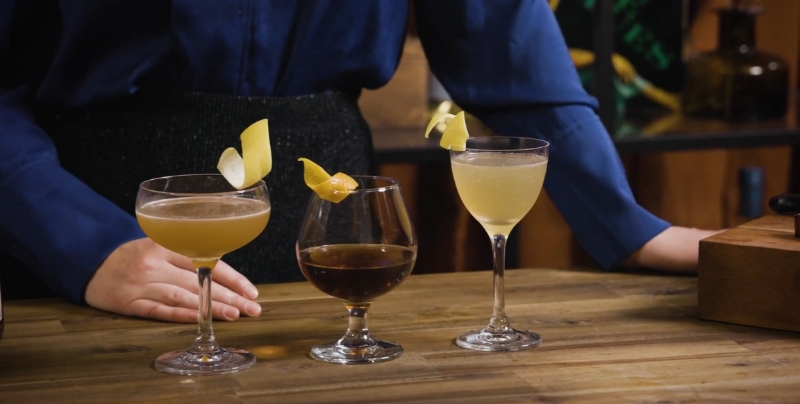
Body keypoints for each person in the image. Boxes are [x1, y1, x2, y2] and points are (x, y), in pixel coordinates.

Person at [0, 0, 717, 323]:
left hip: (334, 238)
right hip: (94, 244)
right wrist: (81, 244)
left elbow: (508, 46)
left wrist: (627, 225)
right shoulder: (87, 247)